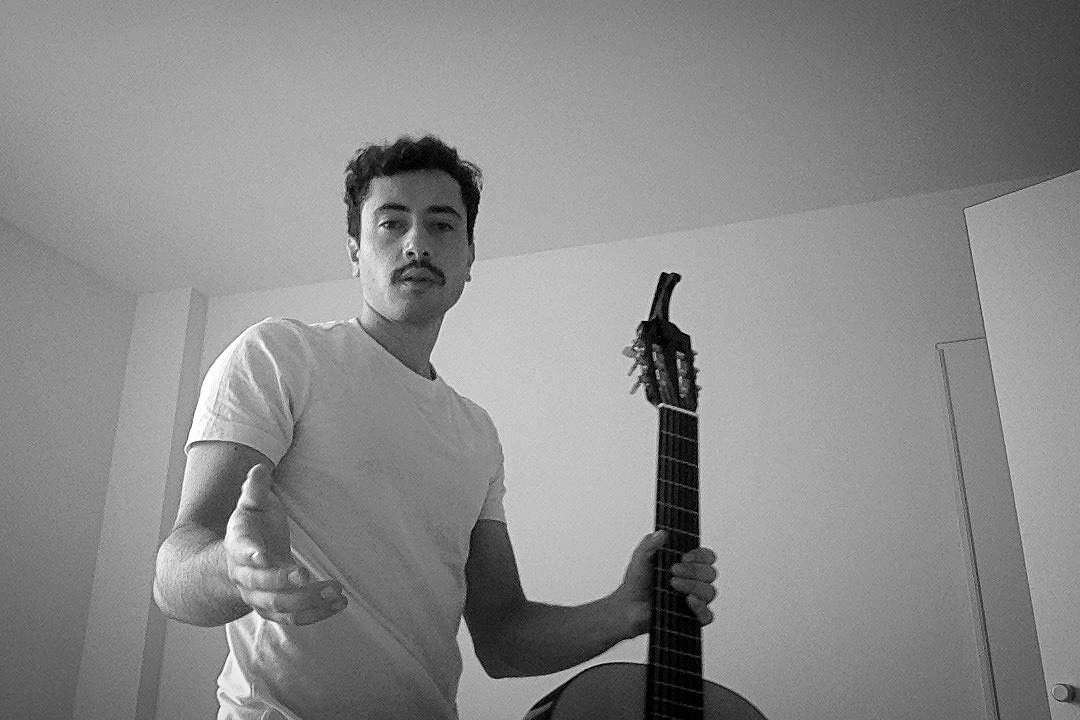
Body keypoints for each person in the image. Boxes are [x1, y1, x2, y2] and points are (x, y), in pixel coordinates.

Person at [152, 135, 718, 719]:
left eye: (442, 225)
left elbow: (503, 637)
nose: (417, 243)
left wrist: (624, 611)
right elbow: (173, 578)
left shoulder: (476, 432)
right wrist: (236, 569)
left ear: (469, 258)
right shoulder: (279, 354)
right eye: (391, 223)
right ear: (355, 251)